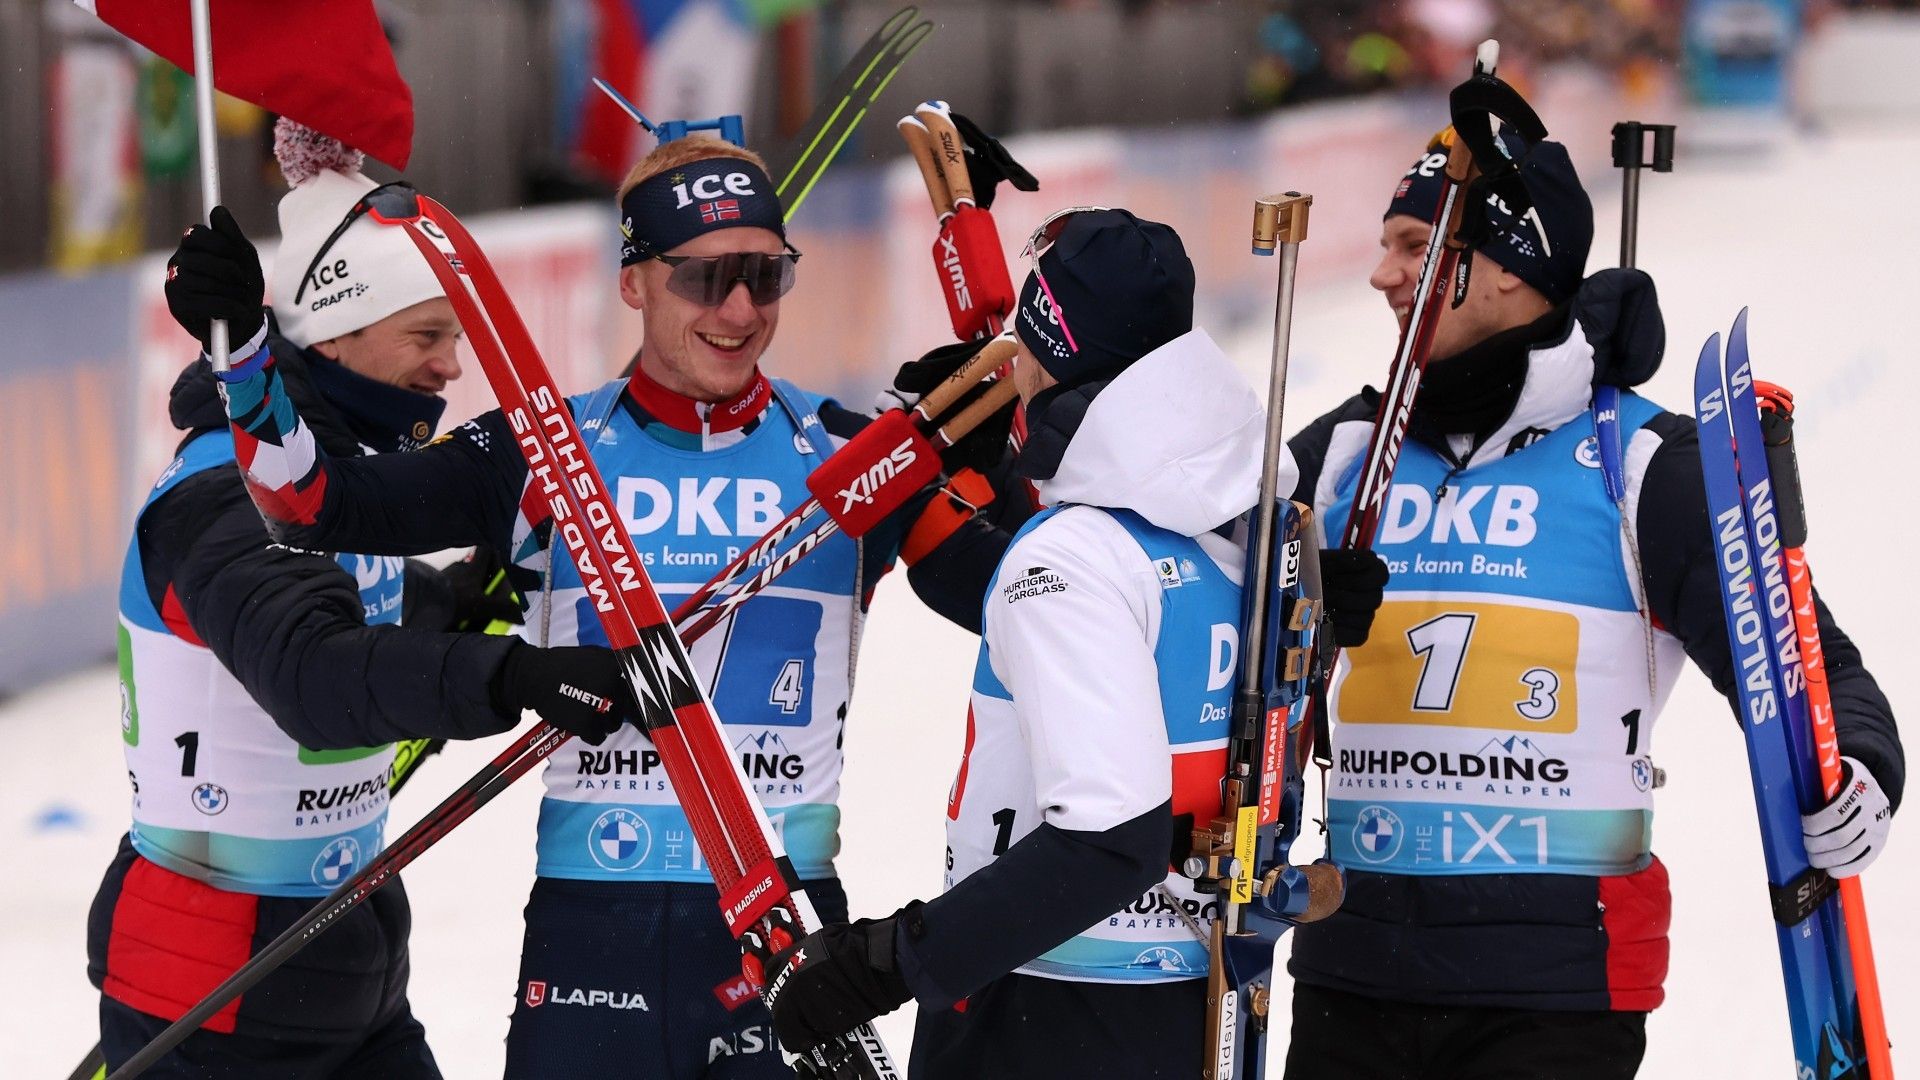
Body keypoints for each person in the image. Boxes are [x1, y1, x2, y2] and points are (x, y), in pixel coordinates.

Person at [205, 133, 1029, 1078]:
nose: (739, 309)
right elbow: (310, 509)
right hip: (591, 930)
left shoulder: (848, 460)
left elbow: (1025, 605)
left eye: (766, 275)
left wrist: (996, 456)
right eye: (701, 278)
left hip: (787, 927)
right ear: (634, 280)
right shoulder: (540, 452)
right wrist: (244, 361)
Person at [1278, 127, 1903, 1078]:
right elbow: (1200, 609)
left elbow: (1813, 663)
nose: (1380, 275)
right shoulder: (1341, 455)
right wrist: (1304, 615)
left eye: (1414, 247)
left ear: (1504, 269)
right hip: (1352, 968)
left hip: (1556, 987)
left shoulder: (1644, 463)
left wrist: (1858, 763)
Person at [760, 208, 1388, 1078]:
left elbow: (1108, 840)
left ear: (1043, 351)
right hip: (1190, 1000)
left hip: (1042, 1002)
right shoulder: (1249, 520)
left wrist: (890, 961)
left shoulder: (1075, 553)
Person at [87, 130, 633, 1079]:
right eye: (426, 336)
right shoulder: (227, 491)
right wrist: (519, 674)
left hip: (340, 970)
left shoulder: (338, 477)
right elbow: (316, 673)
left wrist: (463, 599)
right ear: (332, 336)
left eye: (455, 335)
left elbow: (367, 605)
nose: (452, 368)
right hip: (215, 991)